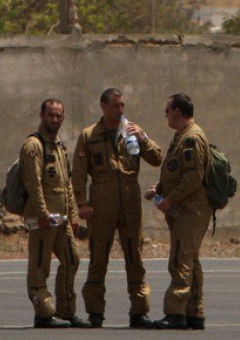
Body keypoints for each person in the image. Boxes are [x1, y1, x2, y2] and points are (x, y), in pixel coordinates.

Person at [72, 88, 162, 328]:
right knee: (98, 257)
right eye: (115, 106)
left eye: (122, 105)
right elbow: (79, 173)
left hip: (130, 200)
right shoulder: (90, 135)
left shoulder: (131, 131)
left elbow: (156, 159)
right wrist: (82, 203)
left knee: (135, 256)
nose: (120, 110)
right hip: (102, 202)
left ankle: (139, 311)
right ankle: (95, 311)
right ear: (103, 106)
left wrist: (143, 138)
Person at [144, 93, 212, 331]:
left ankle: (175, 313)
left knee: (180, 259)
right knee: (190, 259)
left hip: (190, 210)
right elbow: (175, 171)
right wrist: (159, 190)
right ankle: (194, 312)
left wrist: (169, 200)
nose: (165, 114)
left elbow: (193, 177)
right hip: (183, 207)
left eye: (168, 110)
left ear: (178, 111)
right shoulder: (181, 137)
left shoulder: (192, 138)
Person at [22, 99, 88, 328]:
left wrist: (72, 215)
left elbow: (66, 183)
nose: (55, 120)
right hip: (44, 220)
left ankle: (66, 311)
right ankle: (43, 313)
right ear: (42, 115)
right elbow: (33, 185)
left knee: (72, 259)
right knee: (40, 267)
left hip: (61, 219)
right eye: (51, 115)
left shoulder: (59, 145)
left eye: (59, 116)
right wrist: (42, 214)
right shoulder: (34, 145)